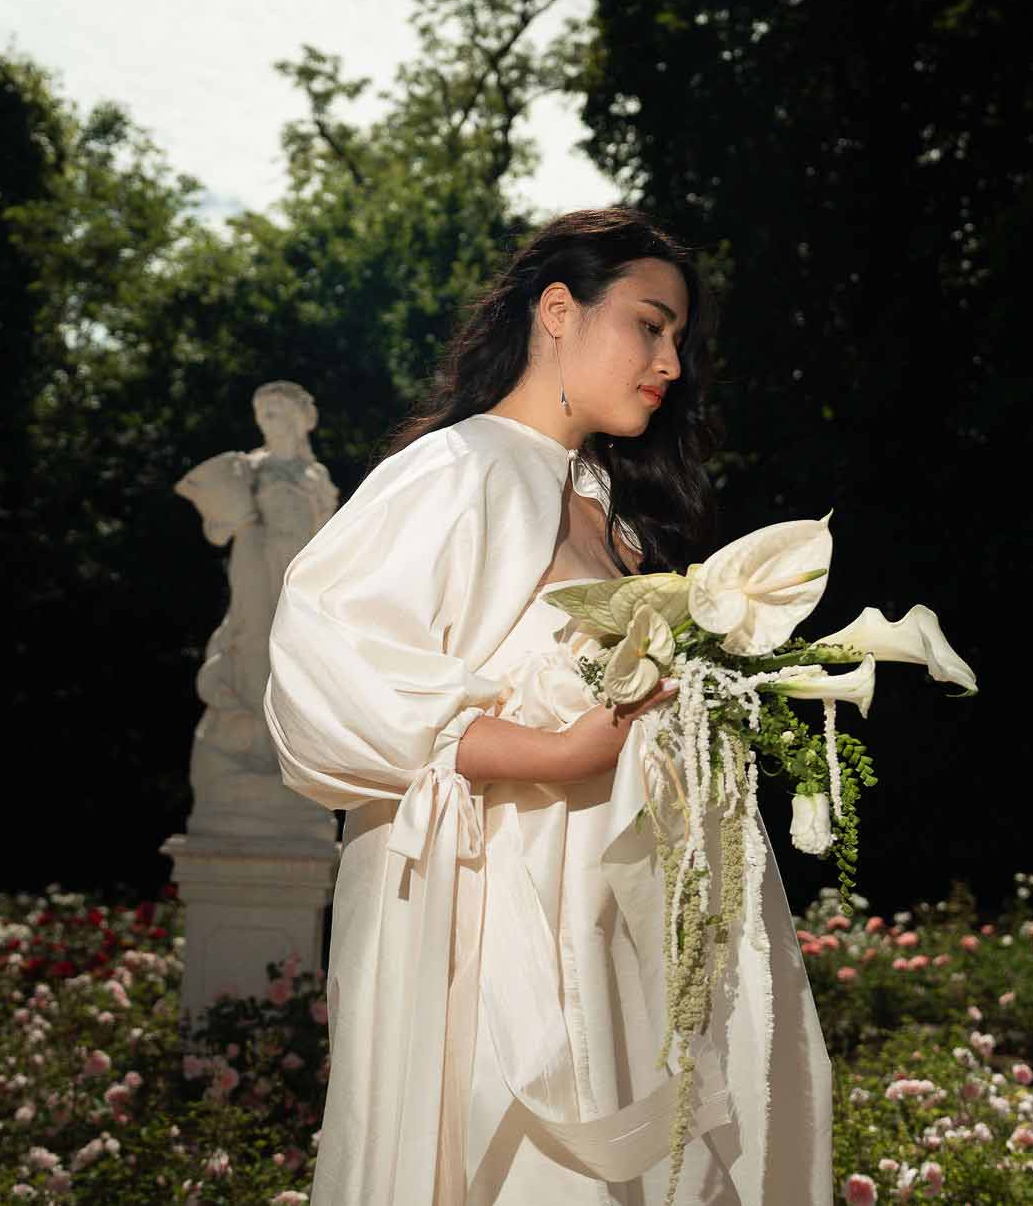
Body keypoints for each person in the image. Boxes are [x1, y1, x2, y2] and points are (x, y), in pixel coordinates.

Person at [264, 208, 832, 1205]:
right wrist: (561, 752)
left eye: (679, 341)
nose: (669, 361)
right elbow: (327, 675)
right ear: (557, 312)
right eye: (648, 325)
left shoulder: (603, 506)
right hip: (489, 933)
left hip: (617, 931)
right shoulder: (455, 472)